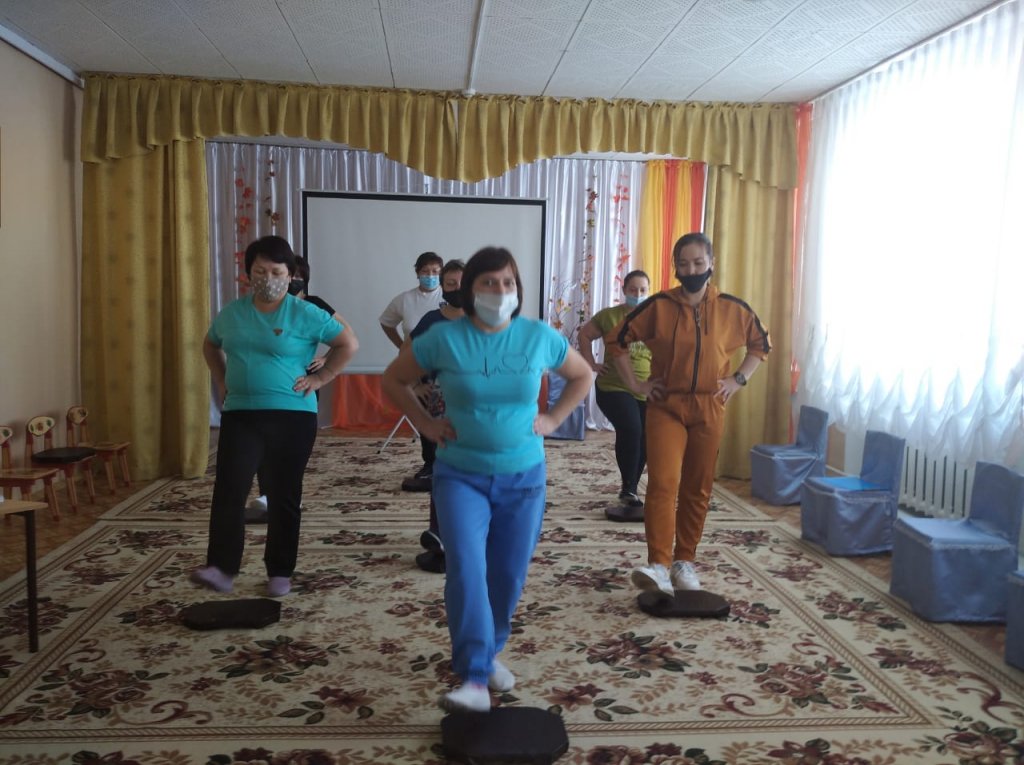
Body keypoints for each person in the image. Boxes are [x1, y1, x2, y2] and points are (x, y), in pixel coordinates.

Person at [381, 246, 592, 713]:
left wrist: (553, 419)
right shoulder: (443, 338)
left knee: (507, 575)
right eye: (488, 283)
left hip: (524, 478)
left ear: (518, 289)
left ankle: (489, 650)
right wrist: (426, 425)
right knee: (467, 570)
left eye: (507, 283)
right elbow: (393, 380)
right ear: (469, 290)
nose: (499, 291)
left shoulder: (537, 335)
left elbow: (582, 375)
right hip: (461, 476)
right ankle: (474, 675)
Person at [193, 235, 359, 597]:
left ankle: (280, 571)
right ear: (248, 273)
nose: (267, 278)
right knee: (230, 489)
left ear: (290, 275)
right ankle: (222, 568)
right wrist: (221, 379)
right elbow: (210, 343)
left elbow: (348, 343)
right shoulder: (233, 313)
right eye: (260, 271)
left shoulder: (305, 312)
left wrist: (321, 378)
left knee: (283, 493)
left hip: (292, 416)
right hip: (240, 414)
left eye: (276, 271)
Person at [606, 233, 770, 596]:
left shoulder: (733, 309)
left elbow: (761, 345)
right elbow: (616, 340)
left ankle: (684, 561)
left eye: (698, 263)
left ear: (711, 264)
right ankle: (659, 565)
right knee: (663, 483)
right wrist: (636, 383)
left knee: (698, 486)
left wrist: (738, 379)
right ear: (675, 267)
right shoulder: (659, 306)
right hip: (666, 405)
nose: (692, 270)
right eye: (684, 264)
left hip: (710, 406)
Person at [246, 255, 349, 513]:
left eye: (300, 276)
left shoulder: (313, 305)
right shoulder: (265, 306)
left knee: (292, 444)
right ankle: (267, 494)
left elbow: (346, 335)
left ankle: (290, 493)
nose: (294, 281)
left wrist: (324, 360)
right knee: (265, 442)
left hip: (302, 382)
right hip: (265, 389)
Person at [404, 259, 466, 573]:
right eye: (450, 283)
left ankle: (465, 536)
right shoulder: (431, 320)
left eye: (462, 283)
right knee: (444, 470)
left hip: (479, 412)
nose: (457, 289)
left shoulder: (486, 320)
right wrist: (416, 385)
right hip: (440, 409)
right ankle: (439, 534)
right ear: (443, 287)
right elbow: (406, 355)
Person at [576, 270, 653, 510]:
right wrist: (591, 363)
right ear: (624, 290)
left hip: (646, 388)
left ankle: (630, 488)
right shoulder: (610, 316)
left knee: (646, 437)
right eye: (633, 290)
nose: (637, 294)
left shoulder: (655, 319)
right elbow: (584, 335)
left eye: (642, 290)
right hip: (613, 386)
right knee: (631, 428)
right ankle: (628, 487)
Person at [379, 251, 445, 490]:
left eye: (436, 271)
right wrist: (401, 347)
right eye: (426, 271)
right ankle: (430, 463)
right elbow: (386, 323)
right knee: (425, 412)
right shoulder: (404, 300)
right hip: (418, 367)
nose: (431, 275)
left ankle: (451, 464)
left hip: (447, 366)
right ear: (417, 273)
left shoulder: (448, 297)